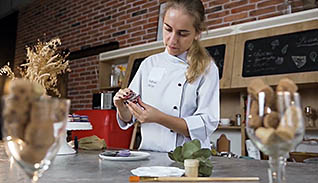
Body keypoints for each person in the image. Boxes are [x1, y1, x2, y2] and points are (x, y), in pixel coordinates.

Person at [113, 0, 219, 152]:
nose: (172, 40)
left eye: (182, 33)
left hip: (189, 160)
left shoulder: (207, 69)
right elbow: (130, 116)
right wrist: (121, 106)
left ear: (197, 33)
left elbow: (205, 125)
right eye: (168, 29)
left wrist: (158, 117)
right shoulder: (149, 64)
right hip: (149, 157)